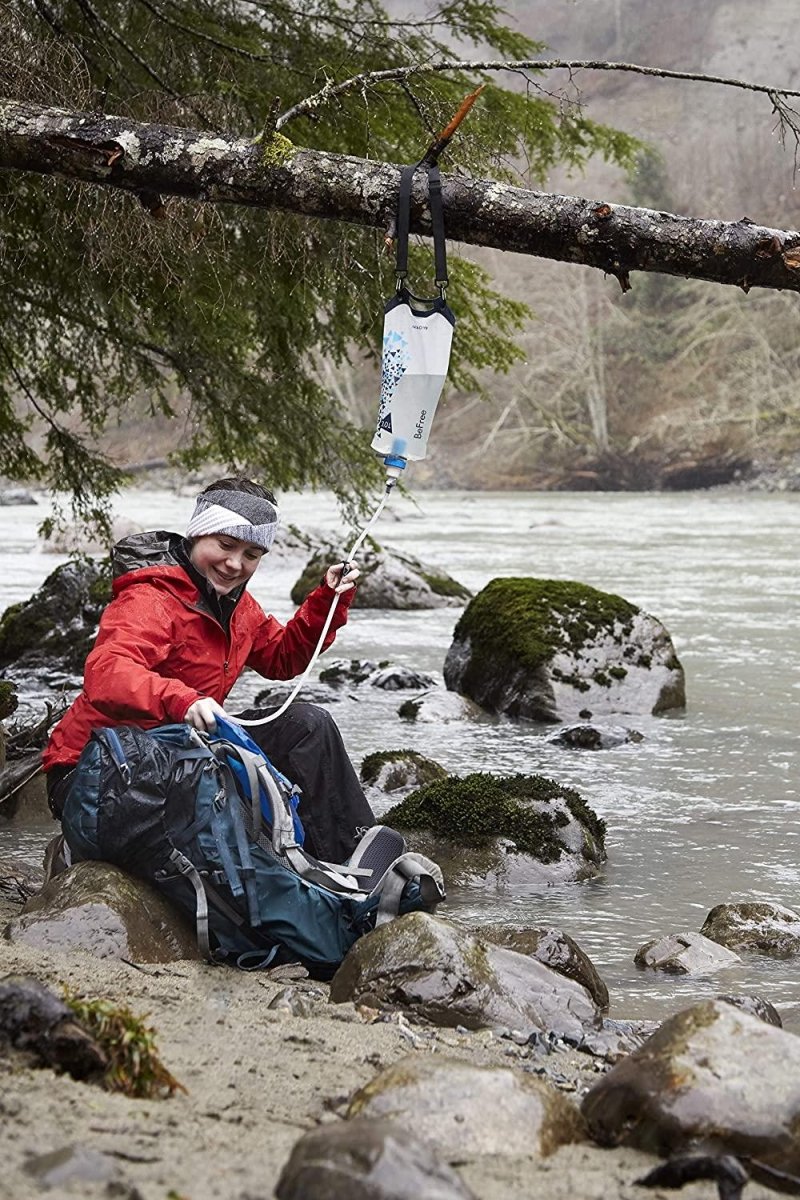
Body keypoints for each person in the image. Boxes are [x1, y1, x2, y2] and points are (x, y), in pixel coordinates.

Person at [42, 477, 376, 864]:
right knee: (212, 787)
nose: (235, 564)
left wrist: (326, 603)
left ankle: (352, 861)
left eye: (252, 554)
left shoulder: (238, 606)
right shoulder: (151, 597)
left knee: (307, 725)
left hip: (180, 750)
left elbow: (284, 659)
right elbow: (108, 673)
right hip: (93, 768)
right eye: (226, 545)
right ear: (197, 534)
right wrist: (184, 701)